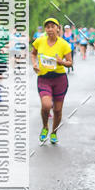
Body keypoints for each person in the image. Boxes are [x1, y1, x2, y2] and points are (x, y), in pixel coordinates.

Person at [32, 17, 72, 145]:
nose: (50, 29)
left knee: (57, 110)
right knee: (46, 105)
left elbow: (70, 63)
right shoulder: (39, 41)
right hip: (44, 78)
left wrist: (62, 62)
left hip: (60, 79)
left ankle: (54, 132)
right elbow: (33, 53)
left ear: (58, 28)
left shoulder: (64, 44)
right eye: (47, 27)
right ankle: (45, 127)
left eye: (52, 27)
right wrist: (34, 64)